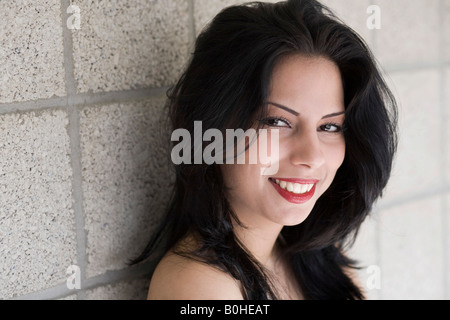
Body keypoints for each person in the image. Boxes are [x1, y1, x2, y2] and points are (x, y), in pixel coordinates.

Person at [131, 0, 398, 300]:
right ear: (211, 131)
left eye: (330, 127)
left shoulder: (322, 262)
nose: (311, 157)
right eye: (277, 122)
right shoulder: (198, 285)